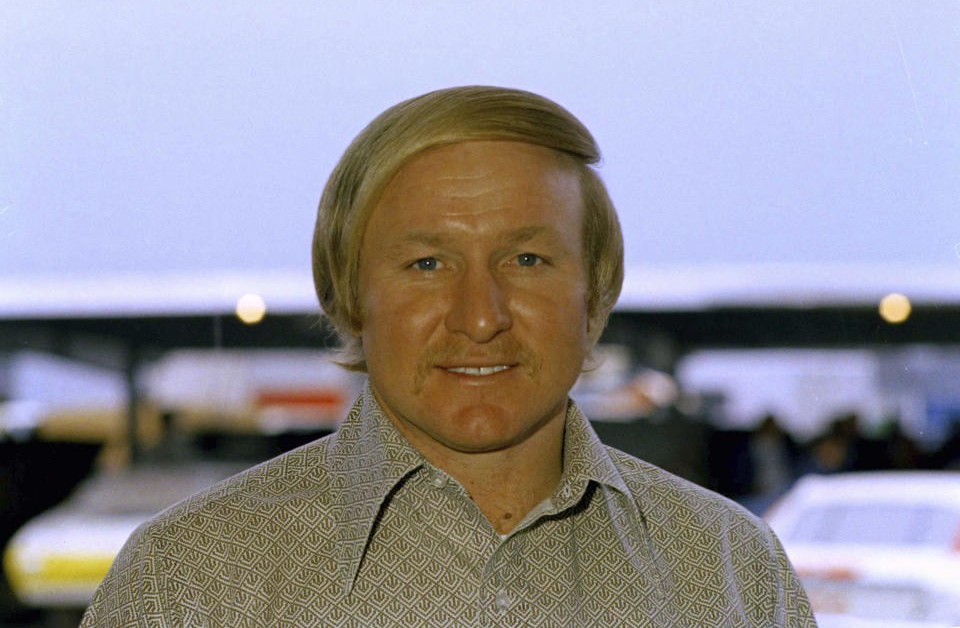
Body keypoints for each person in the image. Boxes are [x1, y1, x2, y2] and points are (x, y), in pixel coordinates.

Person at [81, 86, 816, 627]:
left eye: (527, 259)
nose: (481, 317)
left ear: (596, 297)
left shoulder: (731, 571)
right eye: (427, 264)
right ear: (347, 297)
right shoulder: (185, 582)